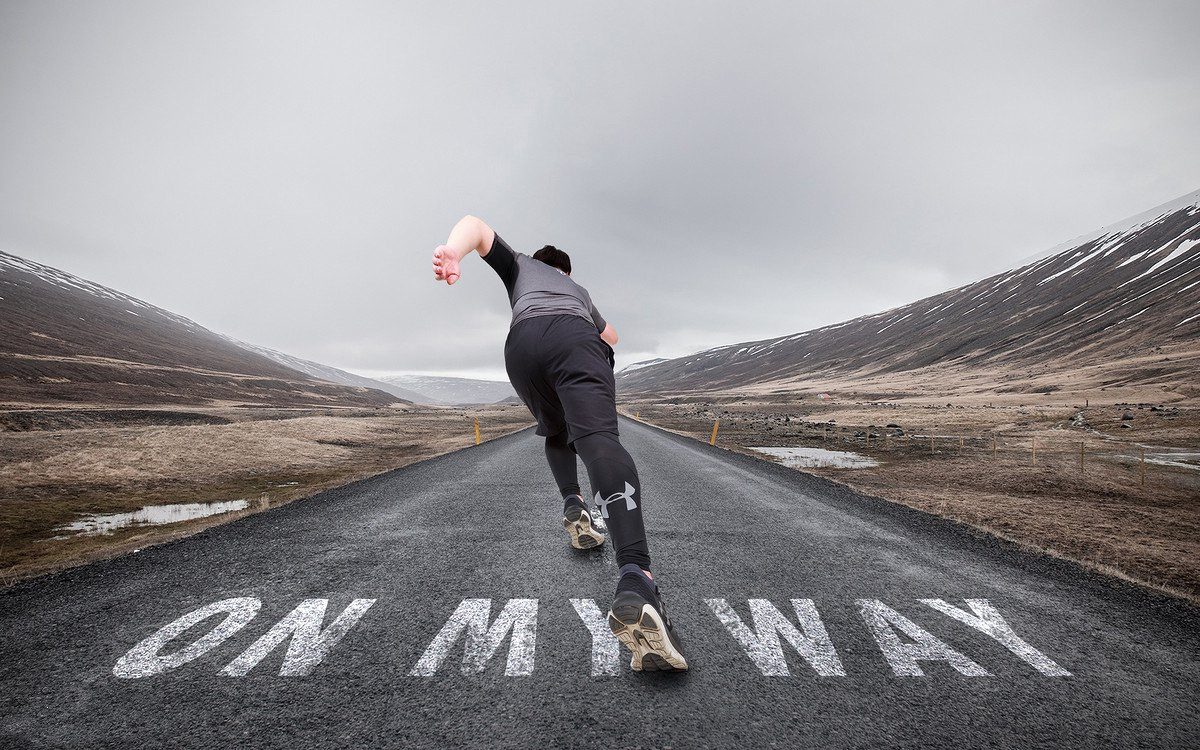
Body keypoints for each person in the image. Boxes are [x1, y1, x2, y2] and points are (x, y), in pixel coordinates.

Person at [431, 214, 687, 672]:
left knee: (555, 430)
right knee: (598, 440)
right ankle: (636, 577)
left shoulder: (521, 269)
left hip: (521, 346)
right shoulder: (578, 291)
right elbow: (611, 337)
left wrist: (453, 251)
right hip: (573, 337)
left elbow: (475, 225)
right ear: (565, 270)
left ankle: (573, 504)